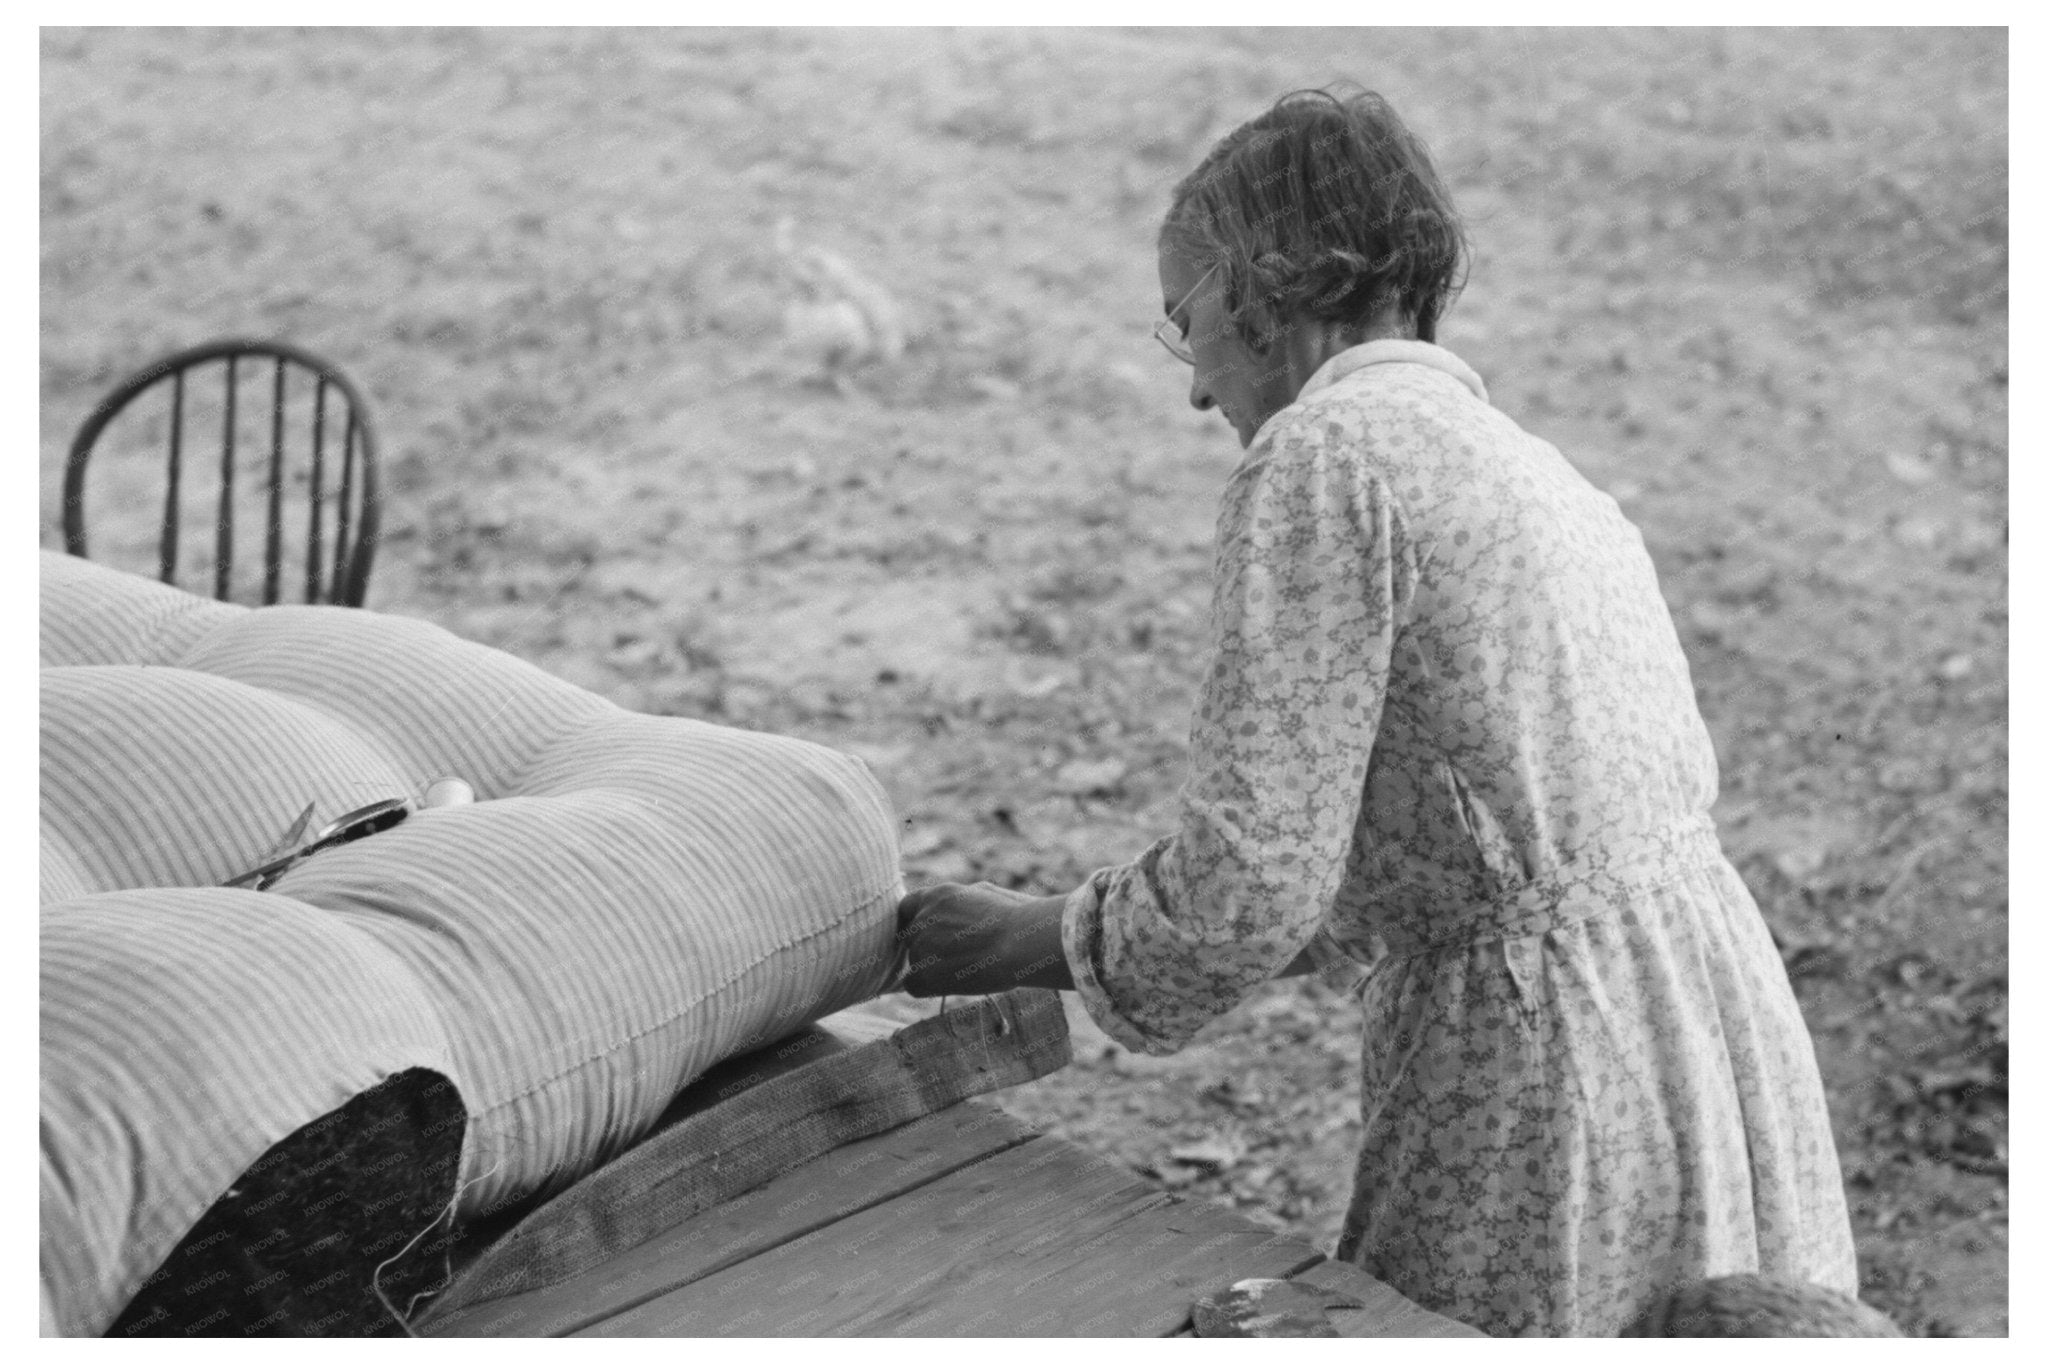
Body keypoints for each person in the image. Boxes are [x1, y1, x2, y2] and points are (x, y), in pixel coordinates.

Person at [893, 86, 1859, 1337]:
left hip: (1543, 1074)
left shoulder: (1323, 459)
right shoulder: (1525, 465)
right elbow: (1428, 857)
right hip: (1713, 1031)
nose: (1194, 390)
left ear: (1266, 283)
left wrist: (1030, 941)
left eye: (1184, 323)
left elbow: (1255, 882)